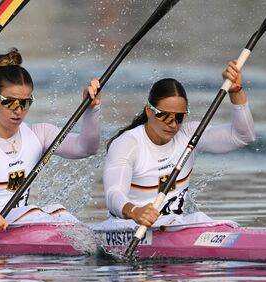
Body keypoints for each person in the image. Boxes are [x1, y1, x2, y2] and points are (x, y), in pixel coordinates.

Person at [0, 48, 102, 233]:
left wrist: (92, 110)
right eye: (10, 102)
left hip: (18, 223)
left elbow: (86, 148)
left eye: (25, 103)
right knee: (36, 212)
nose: (18, 110)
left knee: (60, 212)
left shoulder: (40, 134)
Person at [103, 60, 255, 227]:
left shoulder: (191, 135)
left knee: (200, 218)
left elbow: (243, 136)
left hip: (175, 226)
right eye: (165, 116)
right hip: (128, 227)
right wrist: (134, 211)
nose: (173, 124)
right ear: (149, 110)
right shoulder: (128, 144)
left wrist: (236, 93)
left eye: (179, 117)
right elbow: (113, 193)